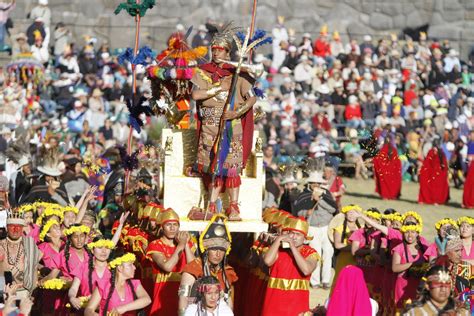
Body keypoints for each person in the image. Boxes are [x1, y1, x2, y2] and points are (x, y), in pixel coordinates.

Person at [190, 23, 257, 220]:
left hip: (231, 124)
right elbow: (195, 95)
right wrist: (216, 89)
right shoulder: (203, 71)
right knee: (213, 166)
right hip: (210, 123)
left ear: (228, 52)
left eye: (220, 50)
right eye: (214, 50)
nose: (216, 54)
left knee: (230, 166)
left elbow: (252, 97)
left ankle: (234, 207)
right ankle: (211, 205)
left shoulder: (238, 72)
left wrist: (238, 113)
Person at [179, 214, 238, 313]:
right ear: (206, 251)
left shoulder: (227, 272)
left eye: (221, 250)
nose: (218, 254)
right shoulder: (193, 268)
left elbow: (229, 302)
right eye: (214, 249)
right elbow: (183, 299)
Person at [261, 216, 319, 315]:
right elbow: (267, 261)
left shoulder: (310, 253)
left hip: (296, 306)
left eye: (298, 234)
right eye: (291, 233)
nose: (294, 237)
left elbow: (306, 270)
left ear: (304, 239)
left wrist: (292, 247)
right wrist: (278, 239)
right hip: (274, 304)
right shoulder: (278, 249)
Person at [146, 208, 195, 315]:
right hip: (163, 295)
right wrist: (181, 245)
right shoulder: (155, 245)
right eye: (169, 225)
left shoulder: (185, 245)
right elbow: (167, 267)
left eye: (175, 224)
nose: (172, 228)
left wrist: (185, 244)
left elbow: (194, 267)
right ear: (162, 227)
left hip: (183, 295)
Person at [295, 171, 336, 289]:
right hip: (312, 228)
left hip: (326, 227)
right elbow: (298, 211)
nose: (316, 185)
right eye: (314, 183)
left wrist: (320, 200)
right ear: (310, 183)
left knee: (328, 252)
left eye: (318, 183)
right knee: (315, 253)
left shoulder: (326, 194)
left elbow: (332, 209)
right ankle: (315, 281)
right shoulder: (303, 195)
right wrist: (305, 212)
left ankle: (326, 280)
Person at [84, 253, 151, 316]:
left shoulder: (135, 284)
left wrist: (123, 308)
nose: (134, 268)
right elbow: (88, 310)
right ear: (120, 268)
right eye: (130, 265)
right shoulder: (103, 285)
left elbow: (147, 299)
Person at [0, 211, 41, 298]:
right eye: (12, 227)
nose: (15, 230)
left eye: (18, 227)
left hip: (25, 293)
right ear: (6, 228)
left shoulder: (30, 244)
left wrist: (33, 292)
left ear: (22, 228)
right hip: (3, 293)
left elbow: (34, 270)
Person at [403, 265, 469, 315]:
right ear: (427, 286)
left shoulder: (462, 313)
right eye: (437, 284)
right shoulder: (413, 313)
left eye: (447, 283)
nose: (443, 289)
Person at [418, 140, 449, 205]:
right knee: (433, 186)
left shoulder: (440, 153)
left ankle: (436, 200)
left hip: (437, 173)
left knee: (437, 187)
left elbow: (443, 164)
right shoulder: (435, 152)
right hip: (433, 172)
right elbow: (428, 162)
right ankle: (433, 200)